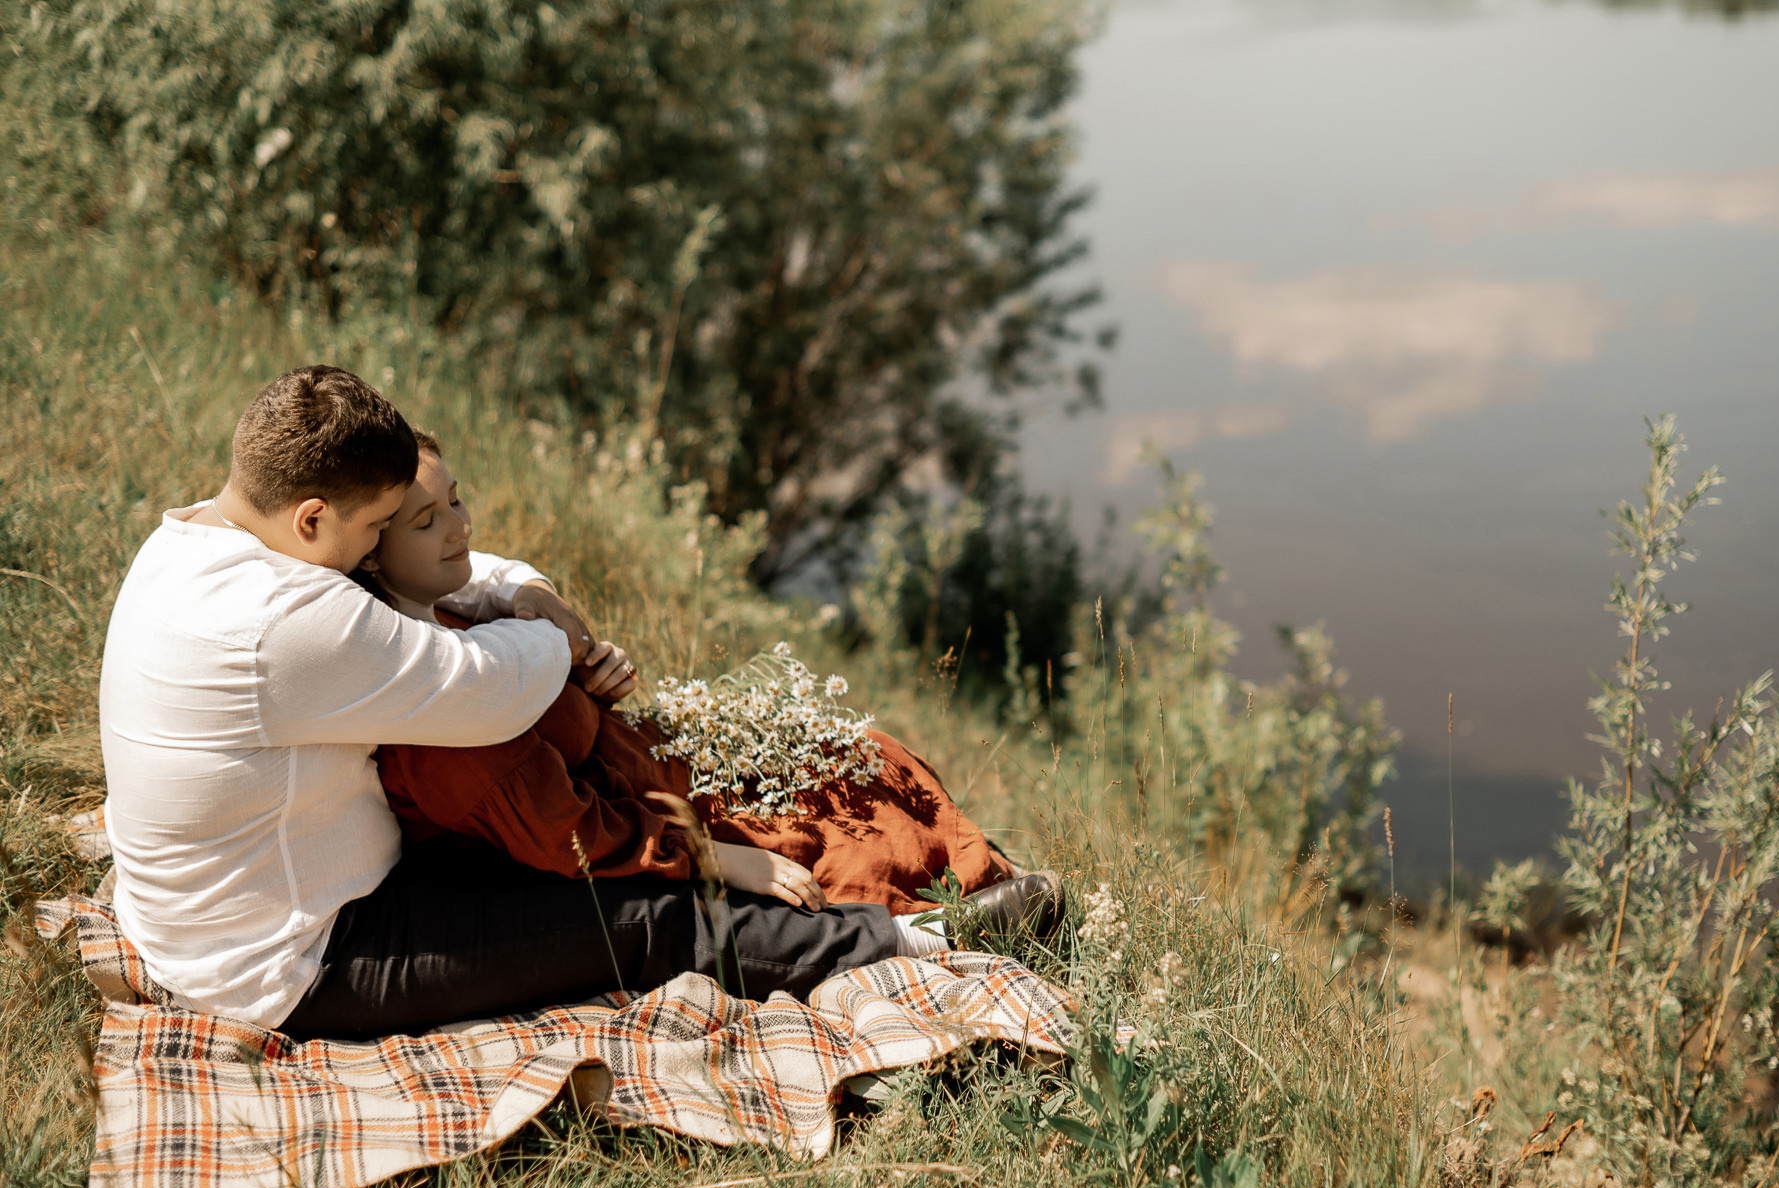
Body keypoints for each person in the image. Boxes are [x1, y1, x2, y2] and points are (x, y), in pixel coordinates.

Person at [97, 366, 899, 1040]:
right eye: (376, 525)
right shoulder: (284, 620)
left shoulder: (188, 544)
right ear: (311, 518)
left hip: (230, 918)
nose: (376, 547)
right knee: (639, 919)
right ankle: (902, 942)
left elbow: (423, 574)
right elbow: (484, 688)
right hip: (298, 960)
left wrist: (522, 587)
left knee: (580, 879)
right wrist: (558, 635)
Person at [354, 429, 1062, 954]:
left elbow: (508, 592)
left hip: (645, 764)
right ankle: (944, 927)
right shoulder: (433, 710)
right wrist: (717, 857)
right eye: (427, 520)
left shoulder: (450, 605)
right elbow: (567, 833)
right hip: (635, 831)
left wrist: (590, 677)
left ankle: (978, 869)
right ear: (372, 551)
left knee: (853, 754)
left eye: (456, 499)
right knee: (814, 846)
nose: (461, 526)